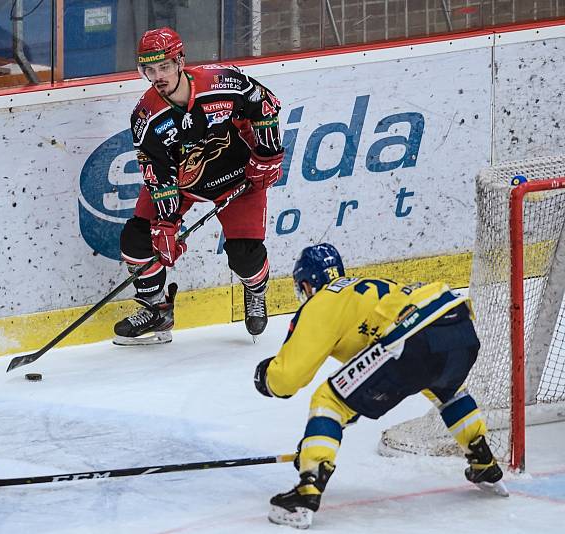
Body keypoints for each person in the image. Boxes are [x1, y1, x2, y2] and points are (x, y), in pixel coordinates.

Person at [253, 243, 508, 529]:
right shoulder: (369, 287)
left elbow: (287, 379)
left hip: (414, 336)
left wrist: (265, 378)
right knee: (446, 390)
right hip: (456, 322)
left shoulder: (323, 300)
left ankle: (307, 490)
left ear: (306, 284)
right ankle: (484, 462)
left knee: (328, 401)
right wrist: (319, 437)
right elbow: (371, 382)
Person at [113, 27, 285, 346]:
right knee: (137, 239)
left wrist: (269, 154)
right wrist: (165, 224)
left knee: (244, 256)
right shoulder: (146, 116)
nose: (157, 76)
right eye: (149, 69)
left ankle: (256, 289)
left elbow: (264, 103)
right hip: (183, 184)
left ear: (180, 62)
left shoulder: (220, 82)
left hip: (238, 176)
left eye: (163, 66)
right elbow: (157, 172)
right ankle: (157, 309)